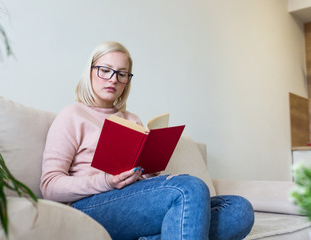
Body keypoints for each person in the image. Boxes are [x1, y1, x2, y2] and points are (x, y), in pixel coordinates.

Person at [40, 41, 254, 240]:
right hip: (91, 205)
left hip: (133, 199)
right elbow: (49, 186)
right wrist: (106, 181)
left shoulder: (131, 119)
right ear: (90, 71)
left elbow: (140, 178)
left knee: (238, 208)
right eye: (105, 70)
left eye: (121, 74)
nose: (113, 79)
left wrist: (148, 174)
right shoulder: (72, 115)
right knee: (189, 187)